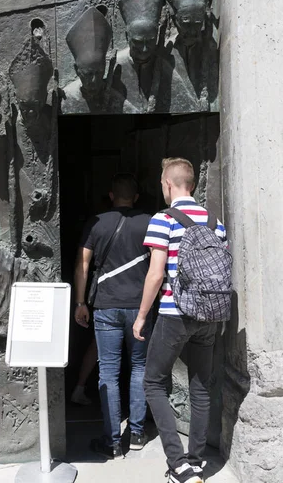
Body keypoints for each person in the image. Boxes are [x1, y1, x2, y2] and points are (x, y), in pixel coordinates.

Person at [133, 158, 227, 483]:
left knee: (153, 382)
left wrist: (142, 316)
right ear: (193, 184)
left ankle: (179, 465)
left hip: (176, 313)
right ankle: (197, 462)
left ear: (168, 184)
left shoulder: (164, 219)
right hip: (210, 315)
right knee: (201, 389)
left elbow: (156, 274)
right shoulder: (215, 221)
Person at [74, 173, 152, 459]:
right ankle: (137, 433)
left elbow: (82, 263)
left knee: (108, 370)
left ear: (110, 195)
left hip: (106, 305)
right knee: (139, 367)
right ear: (136, 197)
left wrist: (81, 302)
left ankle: (112, 441)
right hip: (139, 306)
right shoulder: (149, 220)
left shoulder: (97, 222)